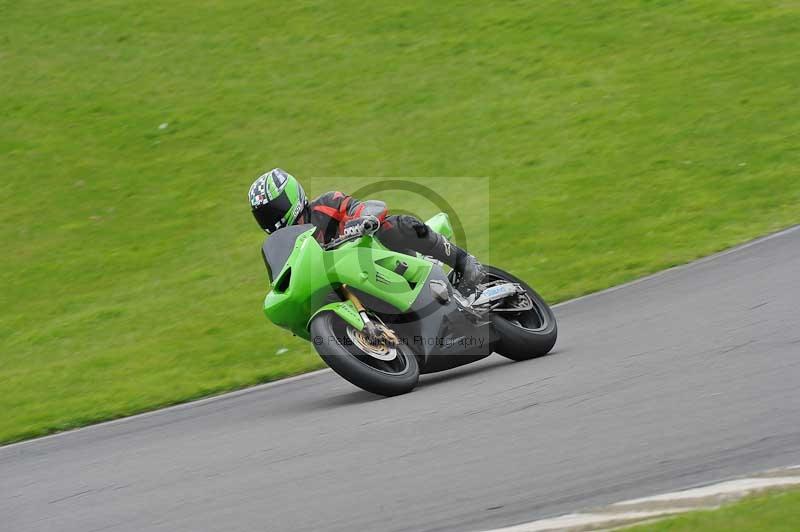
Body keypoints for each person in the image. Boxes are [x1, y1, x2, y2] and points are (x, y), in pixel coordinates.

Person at [249, 168, 485, 291]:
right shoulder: (287, 246)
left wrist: (359, 222)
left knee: (395, 225)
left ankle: (464, 262)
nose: (272, 218)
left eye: (274, 209)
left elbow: (365, 207)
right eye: (264, 215)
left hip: (378, 257)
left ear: (290, 195)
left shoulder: (326, 204)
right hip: (347, 282)